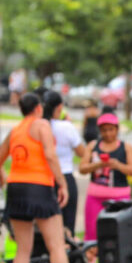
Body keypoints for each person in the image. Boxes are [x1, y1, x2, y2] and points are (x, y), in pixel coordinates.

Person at [0, 92, 88, 263]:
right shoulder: (41, 124)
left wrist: (1, 178)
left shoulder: (15, 131)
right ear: (38, 109)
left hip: (17, 187)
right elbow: (50, 154)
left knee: (23, 248)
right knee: (56, 244)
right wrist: (62, 184)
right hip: (40, 188)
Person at [80, 112, 132, 241]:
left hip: (119, 196)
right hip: (95, 196)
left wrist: (118, 165)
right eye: (104, 130)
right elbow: (82, 168)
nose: (108, 134)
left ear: (117, 129)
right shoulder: (93, 146)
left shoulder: (126, 148)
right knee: (92, 233)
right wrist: (98, 165)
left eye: (111, 130)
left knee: (120, 233)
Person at [44, 91, 88, 236]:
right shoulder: (66, 127)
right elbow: (82, 153)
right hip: (65, 177)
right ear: (60, 107)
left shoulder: (37, 127)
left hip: (43, 179)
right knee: (67, 229)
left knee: (46, 229)